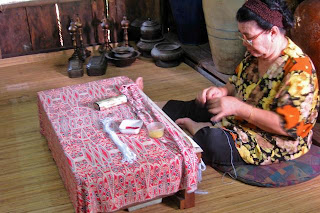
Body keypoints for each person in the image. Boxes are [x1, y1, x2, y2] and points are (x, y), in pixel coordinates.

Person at [138, 0, 319, 167]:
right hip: (241, 117)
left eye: (248, 36)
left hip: (274, 138)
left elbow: (287, 127)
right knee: (200, 105)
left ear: (272, 32)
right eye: (242, 35)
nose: (245, 42)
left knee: (213, 142)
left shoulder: (298, 69)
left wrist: (240, 109)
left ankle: (197, 128)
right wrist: (222, 91)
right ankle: (143, 105)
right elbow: (236, 83)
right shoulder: (256, 51)